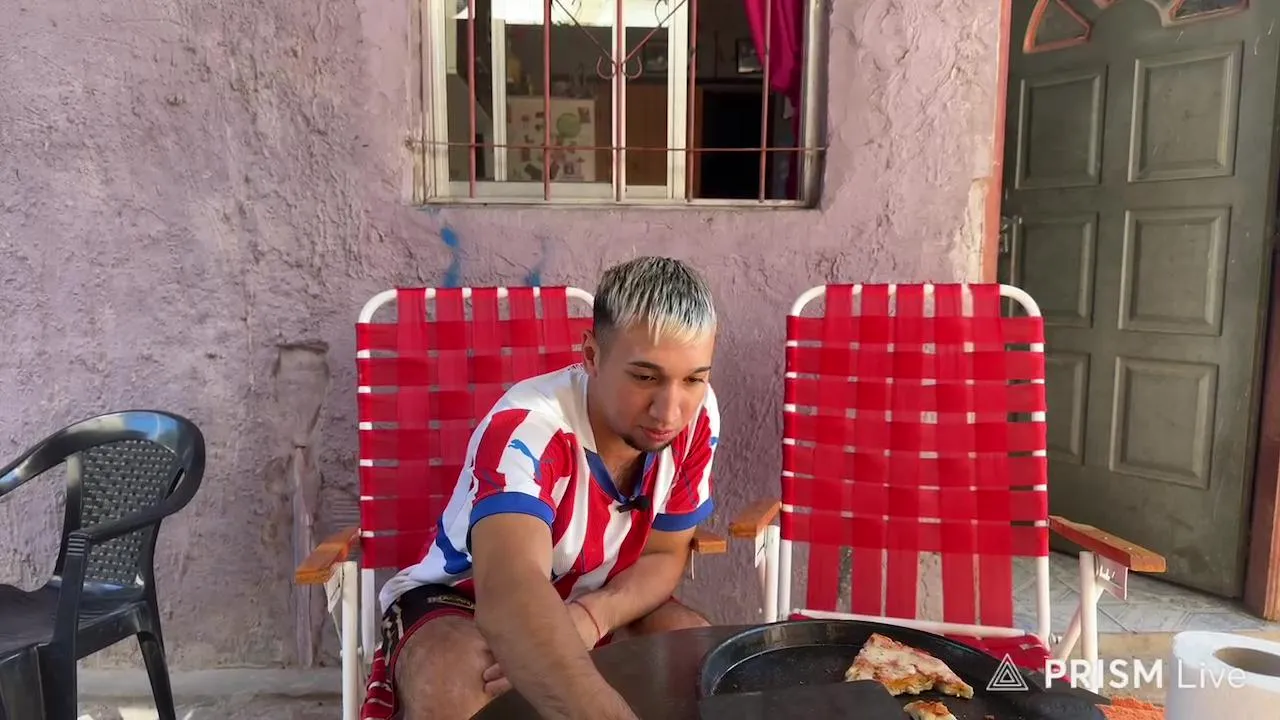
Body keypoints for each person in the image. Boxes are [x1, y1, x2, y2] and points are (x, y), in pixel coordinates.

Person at [360, 256, 722, 720]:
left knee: (695, 660)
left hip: (598, 593)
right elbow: (510, 591)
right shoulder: (527, 430)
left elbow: (663, 554)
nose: (669, 411)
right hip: (463, 597)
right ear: (591, 355)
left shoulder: (697, 418)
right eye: (645, 377)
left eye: (693, 378)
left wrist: (592, 617)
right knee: (460, 682)